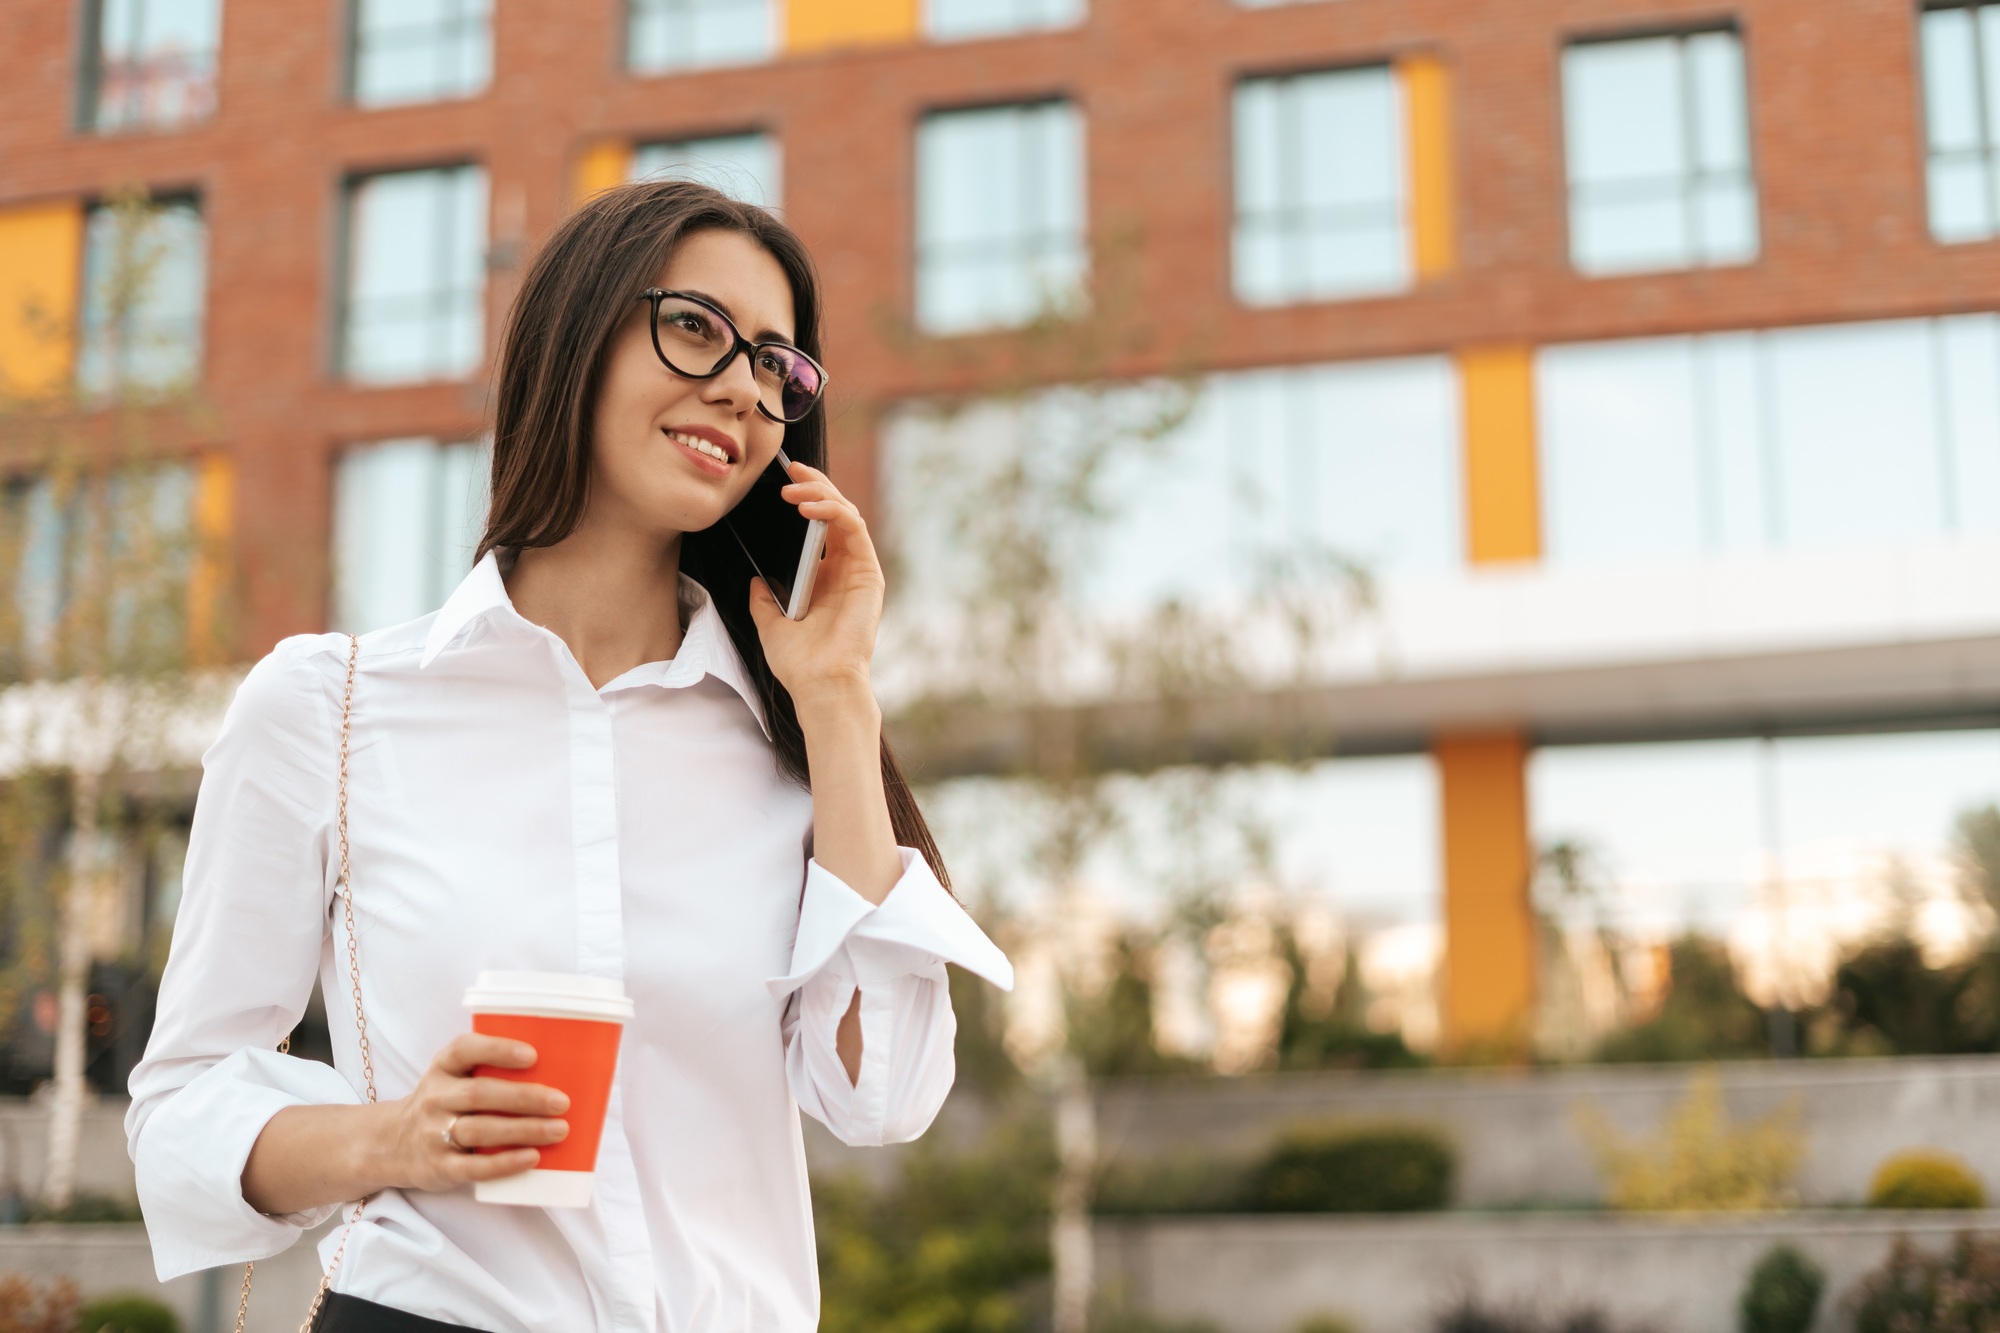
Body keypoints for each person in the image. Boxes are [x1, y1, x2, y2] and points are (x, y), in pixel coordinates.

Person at [126, 179, 1013, 1332]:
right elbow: (182, 1104)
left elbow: (879, 1096)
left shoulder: (788, 739)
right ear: (576, 332)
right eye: (694, 326)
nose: (742, 389)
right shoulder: (328, 710)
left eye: (774, 366)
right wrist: (392, 1136)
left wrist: (838, 699)